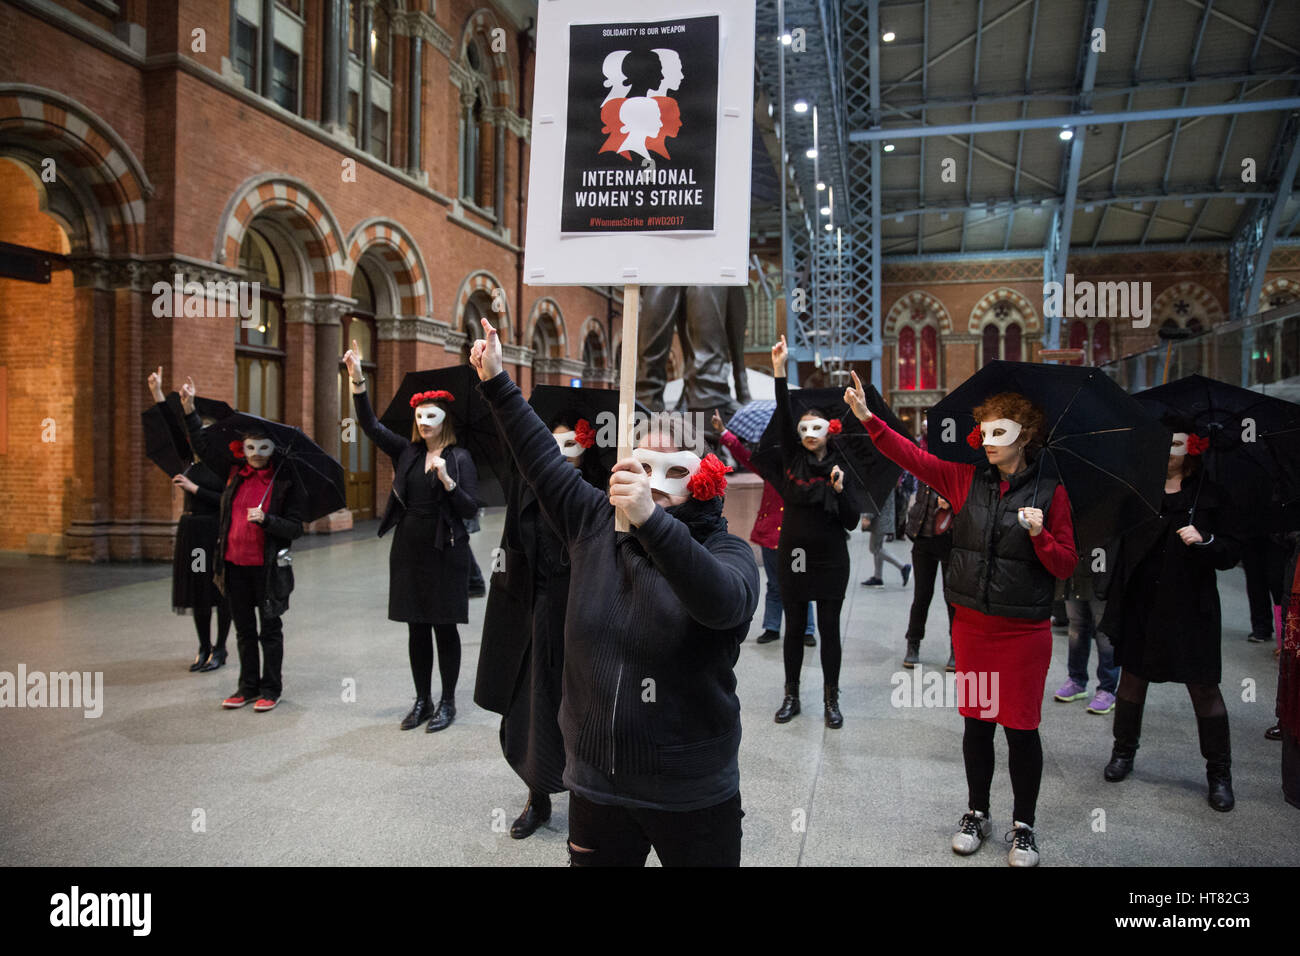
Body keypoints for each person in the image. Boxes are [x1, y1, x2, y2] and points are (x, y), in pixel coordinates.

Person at [470, 317, 759, 867]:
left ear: (704, 478)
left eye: (672, 470)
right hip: (597, 785)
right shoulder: (592, 524)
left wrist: (653, 522)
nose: (652, 483)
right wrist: (497, 380)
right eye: (643, 467)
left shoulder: (729, 554)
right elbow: (540, 460)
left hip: (691, 789)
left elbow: (722, 603)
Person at [846, 374, 1077, 867]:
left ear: (1025, 435)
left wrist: (1041, 536)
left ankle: (1023, 826)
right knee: (976, 725)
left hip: (1023, 630)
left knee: (1020, 729)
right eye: (985, 432)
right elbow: (915, 458)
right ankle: (976, 811)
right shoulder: (964, 479)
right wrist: (870, 419)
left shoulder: (1051, 492)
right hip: (973, 625)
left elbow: (1065, 565)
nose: (990, 442)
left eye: (1001, 433)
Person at [475, 408, 610, 839]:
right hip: (539, 610)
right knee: (534, 702)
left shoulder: (597, 491)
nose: (560, 453)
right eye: (552, 445)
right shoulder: (526, 486)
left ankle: (591, 797)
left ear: (586, 447)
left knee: (585, 703)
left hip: (586, 611)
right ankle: (539, 794)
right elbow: (512, 542)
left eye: (570, 444)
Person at [1100, 417, 1241, 811]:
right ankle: (1123, 752)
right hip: (1142, 603)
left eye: (1176, 444)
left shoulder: (1208, 495)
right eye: (1162, 443)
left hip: (1191, 607)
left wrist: (1206, 540)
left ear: (1192, 449)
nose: (1168, 451)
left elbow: (1232, 552)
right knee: (1131, 682)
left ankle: (1219, 772)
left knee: (1204, 689)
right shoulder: (1140, 491)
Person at [343, 341, 480, 734]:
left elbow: (470, 509)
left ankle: (449, 701)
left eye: (430, 416)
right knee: (416, 626)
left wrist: (449, 482)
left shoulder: (460, 458)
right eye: (419, 415)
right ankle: (423, 699)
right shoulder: (405, 451)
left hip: (446, 550)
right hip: (408, 548)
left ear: (444, 419)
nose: (423, 421)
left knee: (444, 626)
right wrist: (357, 381)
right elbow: (370, 426)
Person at [181, 378, 305, 712]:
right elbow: (203, 449)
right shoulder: (235, 477)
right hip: (233, 565)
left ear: (272, 450)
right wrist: (190, 410)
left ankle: (271, 688)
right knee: (244, 631)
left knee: (269, 630)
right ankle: (247, 686)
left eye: (263, 448)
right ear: (242, 449)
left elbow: (296, 527)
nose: (257, 455)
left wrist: (268, 520)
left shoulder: (282, 484)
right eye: (250, 448)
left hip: (266, 571)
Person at [769, 336, 863, 729]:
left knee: (828, 629)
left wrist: (840, 492)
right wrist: (780, 371)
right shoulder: (792, 458)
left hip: (830, 559)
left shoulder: (842, 466)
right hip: (793, 555)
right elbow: (783, 411)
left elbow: (852, 521)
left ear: (830, 430)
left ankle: (831, 698)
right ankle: (791, 695)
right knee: (793, 627)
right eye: (804, 427)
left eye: (816, 427)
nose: (809, 432)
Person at [147, 368, 230, 673]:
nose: (200, 437)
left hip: (216, 530)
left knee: (220, 592)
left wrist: (195, 489)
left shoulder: (223, 465)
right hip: (192, 533)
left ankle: (221, 648)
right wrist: (157, 393)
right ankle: (203, 646)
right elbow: (168, 430)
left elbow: (225, 500)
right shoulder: (187, 460)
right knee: (198, 591)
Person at [713, 408, 816, 646]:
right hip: (771, 536)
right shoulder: (771, 468)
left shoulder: (808, 469)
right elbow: (745, 456)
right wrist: (724, 433)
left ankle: (807, 628)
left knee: (800, 584)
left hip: (798, 538)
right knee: (775, 583)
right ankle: (772, 626)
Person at [902, 476, 955, 671]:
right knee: (922, 595)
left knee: (952, 597)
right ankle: (913, 643)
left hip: (951, 540)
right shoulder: (926, 466)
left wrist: (953, 501)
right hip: (924, 538)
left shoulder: (959, 470)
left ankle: (956, 647)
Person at [1053, 567, 1118, 714]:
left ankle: (1107, 689)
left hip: (1103, 571)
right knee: (1076, 625)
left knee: (1104, 631)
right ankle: (1076, 679)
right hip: (1075, 571)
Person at [860, 485, 911, 587]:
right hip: (884, 518)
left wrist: (867, 516)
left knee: (874, 548)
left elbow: (875, 501)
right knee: (878, 547)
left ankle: (902, 566)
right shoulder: (886, 481)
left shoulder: (880, 482)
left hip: (880, 519)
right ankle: (878, 577)